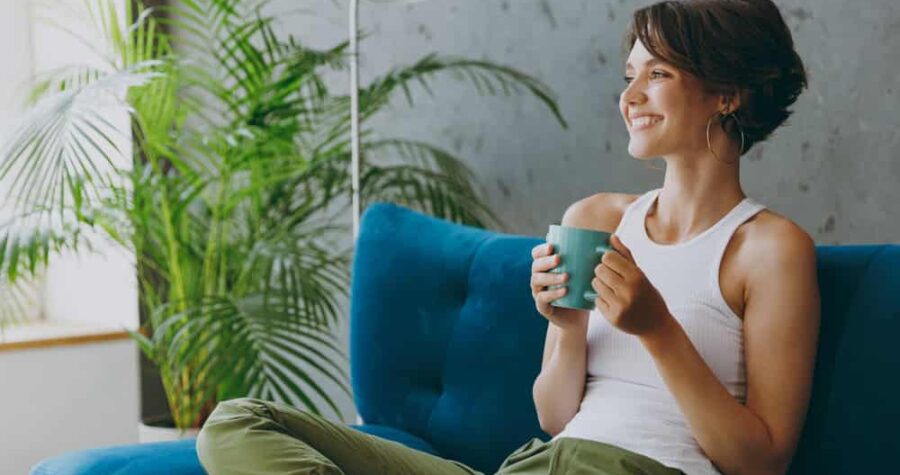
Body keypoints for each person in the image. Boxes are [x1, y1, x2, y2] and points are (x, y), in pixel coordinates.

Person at [196, 1, 820, 474]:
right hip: (533, 465)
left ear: (726, 94)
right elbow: (555, 418)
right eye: (629, 75)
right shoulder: (597, 219)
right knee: (237, 423)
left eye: (657, 74)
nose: (630, 97)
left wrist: (657, 329)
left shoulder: (768, 249)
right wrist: (568, 327)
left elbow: (760, 462)